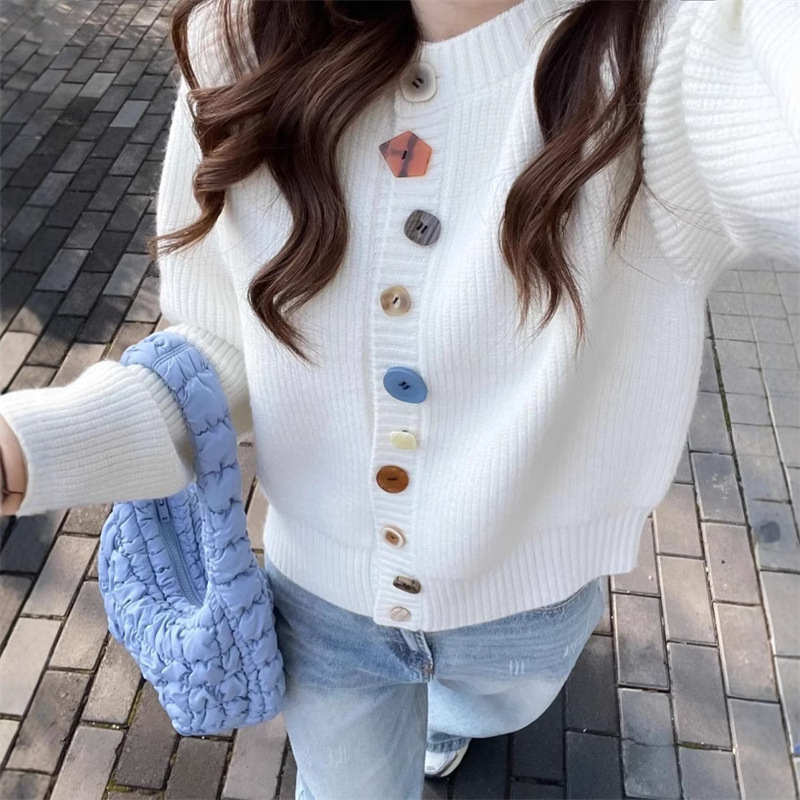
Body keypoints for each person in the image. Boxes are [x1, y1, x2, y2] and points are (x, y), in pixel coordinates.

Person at [1, 0, 798, 796]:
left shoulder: (671, 58)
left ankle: (447, 721)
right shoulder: (241, 38)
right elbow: (217, 348)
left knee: (474, 714)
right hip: (321, 608)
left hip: (526, 616)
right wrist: (31, 445)